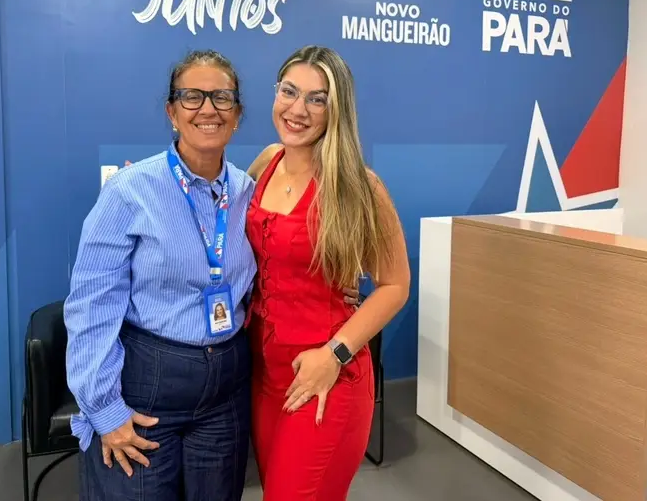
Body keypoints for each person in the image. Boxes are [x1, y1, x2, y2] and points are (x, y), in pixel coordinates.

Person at [64, 49, 362, 501]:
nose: (208, 109)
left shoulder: (249, 191)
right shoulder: (130, 192)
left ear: (237, 115)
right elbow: (91, 308)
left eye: (222, 98)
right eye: (192, 97)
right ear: (172, 112)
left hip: (227, 391)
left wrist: (336, 290)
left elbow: (281, 260)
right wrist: (104, 410)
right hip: (148, 387)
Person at [246, 45, 410, 500]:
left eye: (317, 99)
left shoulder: (359, 185)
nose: (297, 109)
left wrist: (334, 355)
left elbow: (395, 285)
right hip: (264, 377)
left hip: (328, 375)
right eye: (289, 91)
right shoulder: (265, 163)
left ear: (336, 109)